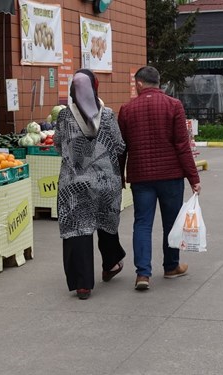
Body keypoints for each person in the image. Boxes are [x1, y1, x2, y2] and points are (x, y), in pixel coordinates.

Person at [118, 66, 201, 291]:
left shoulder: (126, 109)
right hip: (171, 176)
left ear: (139, 84)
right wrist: (193, 177)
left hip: (141, 177)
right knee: (171, 223)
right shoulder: (174, 105)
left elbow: (121, 148)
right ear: (159, 82)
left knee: (142, 224)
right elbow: (182, 145)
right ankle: (171, 266)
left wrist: (120, 175)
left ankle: (143, 274)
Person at [54, 69, 127, 300]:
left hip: (74, 182)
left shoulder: (64, 117)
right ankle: (111, 263)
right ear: (95, 87)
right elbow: (119, 145)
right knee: (105, 220)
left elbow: (57, 144)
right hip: (105, 180)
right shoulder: (107, 115)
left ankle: (82, 284)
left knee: (78, 227)